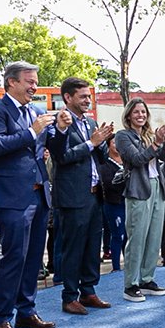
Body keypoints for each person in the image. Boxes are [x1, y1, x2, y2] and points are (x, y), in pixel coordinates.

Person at [0, 61, 59, 328]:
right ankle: (1, 318)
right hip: (10, 196)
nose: (34, 86)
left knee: (34, 257)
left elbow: (47, 148)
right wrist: (32, 131)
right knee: (14, 257)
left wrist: (58, 129)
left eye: (35, 80)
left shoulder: (36, 111)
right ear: (11, 82)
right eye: (29, 81)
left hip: (38, 193)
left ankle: (26, 312)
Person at [45, 77, 115, 315]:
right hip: (73, 197)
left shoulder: (90, 122)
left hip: (95, 195)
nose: (88, 100)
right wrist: (91, 142)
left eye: (89, 96)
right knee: (73, 248)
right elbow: (61, 157)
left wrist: (101, 141)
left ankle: (89, 291)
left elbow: (101, 157)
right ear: (68, 98)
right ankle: (69, 296)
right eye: (83, 96)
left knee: (92, 246)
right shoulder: (59, 123)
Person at [115, 97, 165, 302]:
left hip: (158, 186)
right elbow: (137, 159)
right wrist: (157, 142)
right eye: (136, 112)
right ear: (129, 115)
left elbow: (163, 157)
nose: (141, 115)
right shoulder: (123, 136)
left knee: (154, 237)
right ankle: (130, 285)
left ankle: (147, 279)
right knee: (137, 238)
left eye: (143, 112)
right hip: (138, 189)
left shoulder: (150, 135)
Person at [97, 137, 127, 272]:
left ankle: (129, 264)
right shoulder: (104, 163)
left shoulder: (127, 160)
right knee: (117, 235)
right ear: (108, 145)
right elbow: (109, 183)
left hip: (129, 201)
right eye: (114, 142)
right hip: (114, 203)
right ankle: (116, 267)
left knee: (128, 236)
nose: (117, 145)